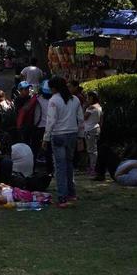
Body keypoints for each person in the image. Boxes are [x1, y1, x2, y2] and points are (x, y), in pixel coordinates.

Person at [43, 75, 84, 208]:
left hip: (58, 135)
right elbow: (81, 119)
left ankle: (62, 197)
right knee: (69, 164)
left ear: (54, 88)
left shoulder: (54, 100)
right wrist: (80, 136)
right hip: (72, 134)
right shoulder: (75, 99)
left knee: (60, 167)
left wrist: (45, 138)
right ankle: (71, 193)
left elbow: (51, 121)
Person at [82, 89, 103, 179]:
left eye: (87, 97)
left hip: (90, 129)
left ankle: (93, 168)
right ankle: (93, 167)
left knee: (91, 150)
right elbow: (101, 119)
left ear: (91, 98)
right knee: (93, 149)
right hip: (96, 128)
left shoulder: (91, 108)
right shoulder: (99, 107)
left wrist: (84, 107)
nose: (87, 99)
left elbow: (84, 117)